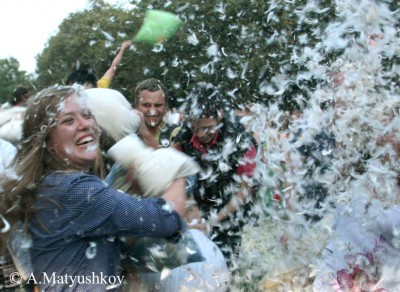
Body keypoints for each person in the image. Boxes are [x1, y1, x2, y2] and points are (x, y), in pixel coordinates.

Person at [0, 85, 187, 291]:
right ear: (46, 140)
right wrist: (178, 170)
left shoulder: (46, 183)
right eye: (68, 120)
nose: (85, 124)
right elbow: (168, 219)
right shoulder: (75, 190)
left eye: (87, 115)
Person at [174, 83, 259, 269]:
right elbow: (175, 171)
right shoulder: (185, 135)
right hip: (199, 200)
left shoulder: (242, 141)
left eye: (207, 128)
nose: (200, 134)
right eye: (196, 128)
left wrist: (214, 221)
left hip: (231, 207)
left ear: (219, 116)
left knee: (225, 262)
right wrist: (189, 202)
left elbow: (245, 191)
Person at [134, 78, 180, 149]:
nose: (152, 111)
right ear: (136, 106)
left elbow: (168, 159)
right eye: (146, 105)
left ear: (166, 106)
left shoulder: (176, 132)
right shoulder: (129, 132)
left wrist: (145, 134)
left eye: (158, 105)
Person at [66, 41, 131, 89]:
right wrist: (122, 49)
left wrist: (122, 49)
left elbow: (113, 68)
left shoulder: (100, 87)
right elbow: (113, 68)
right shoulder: (100, 86)